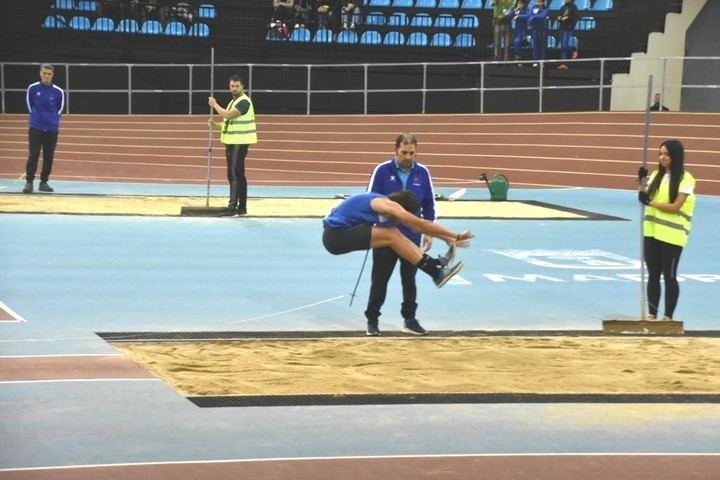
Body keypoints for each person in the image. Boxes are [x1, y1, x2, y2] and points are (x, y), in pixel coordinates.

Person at [323, 190, 473, 334]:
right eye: (399, 218)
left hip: (340, 235)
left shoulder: (388, 206)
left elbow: (416, 227)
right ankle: (435, 271)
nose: (396, 221)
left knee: (394, 234)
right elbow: (421, 224)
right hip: (335, 236)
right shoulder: (385, 204)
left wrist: (446, 238)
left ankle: (434, 267)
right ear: (400, 208)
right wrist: (456, 235)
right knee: (392, 234)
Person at [364, 134, 436, 336]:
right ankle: (372, 320)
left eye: (412, 153)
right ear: (395, 150)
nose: (407, 157)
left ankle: (410, 319)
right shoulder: (382, 171)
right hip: (385, 236)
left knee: (409, 280)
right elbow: (370, 199)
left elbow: (429, 204)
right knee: (380, 280)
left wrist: (429, 231)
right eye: (404, 152)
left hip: (411, 238)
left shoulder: (422, 173)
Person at [637, 139, 696, 321]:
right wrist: (641, 181)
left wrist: (651, 202)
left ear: (675, 157)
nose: (662, 157)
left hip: (673, 234)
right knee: (653, 274)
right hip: (652, 232)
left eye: (666, 154)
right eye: (660, 153)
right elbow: (643, 196)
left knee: (669, 275)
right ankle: (652, 314)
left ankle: (668, 316)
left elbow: (675, 206)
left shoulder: (686, 179)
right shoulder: (656, 175)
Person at [208, 75, 257, 216]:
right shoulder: (233, 102)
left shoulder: (244, 102)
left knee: (234, 174)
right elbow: (229, 123)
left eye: (236, 86)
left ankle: (232, 207)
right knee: (238, 174)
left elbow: (229, 115)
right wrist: (215, 124)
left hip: (239, 143)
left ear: (243, 87)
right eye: (231, 86)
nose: (234, 88)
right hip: (233, 142)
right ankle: (241, 208)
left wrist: (214, 104)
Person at [23, 64, 64, 194]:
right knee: (33, 155)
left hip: (51, 129)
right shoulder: (33, 88)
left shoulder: (59, 92)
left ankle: (44, 182)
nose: (46, 76)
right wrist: (37, 118)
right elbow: (30, 106)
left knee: (49, 156)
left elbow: (60, 109)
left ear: (53, 75)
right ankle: (29, 182)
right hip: (36, 128)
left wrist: (52, 121)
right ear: (40, 73)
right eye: (44, 73)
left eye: (49, 74)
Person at [556, 0, 578, 70]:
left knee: (564, 45)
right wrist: (559, 18)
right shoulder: (563, 7)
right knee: (563, 46)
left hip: (568, 28)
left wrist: (568, 18)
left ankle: (564, 63)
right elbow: (559, 15)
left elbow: (575, 17)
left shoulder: (574, 7)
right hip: (562, 27)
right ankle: (573, 50)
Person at [528, 0, 549, 67]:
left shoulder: (546, 9)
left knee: (542, 47)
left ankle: (542, 62)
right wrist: (532, 16)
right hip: (535, 30)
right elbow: (530, 14)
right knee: (535, 46)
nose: (538, 3)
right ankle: (535, 61)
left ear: (543, 2)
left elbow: (543, 15)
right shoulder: (534, 7)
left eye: (540, 2)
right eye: (537, 2)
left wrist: (534, 16)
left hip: (543, 30)